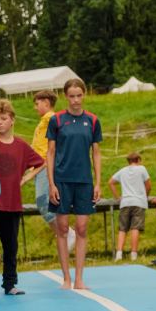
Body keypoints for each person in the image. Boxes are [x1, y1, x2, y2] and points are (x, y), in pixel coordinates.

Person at [46, 78, 102, 290]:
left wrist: (98, 183)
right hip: (61, 180)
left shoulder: (93, 121)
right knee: (61, 228)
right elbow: (50, 153)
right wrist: (51, 183)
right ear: (65, 96)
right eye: (72, 96)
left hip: (84, 181)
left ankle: (79, 278)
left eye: (79, 95)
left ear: (84, 95)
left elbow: (96, 153)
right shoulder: (57, 120)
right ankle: (66, 278)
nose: (76, 100)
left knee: (81, 228)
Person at [0, 98, 43, 295]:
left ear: (12, 120)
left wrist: (24, 179)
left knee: (11, 247)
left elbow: (41, 162)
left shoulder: (21, 145)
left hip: (12, 204)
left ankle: (9, 284)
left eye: (3, 118)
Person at [29, 89, 61, 249]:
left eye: (37, 103)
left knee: (43, 203)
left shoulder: (51, 118)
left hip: (45, 165)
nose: (35, 107)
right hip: (39, 166)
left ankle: (65, 233)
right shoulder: (44, 120)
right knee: (45, 203)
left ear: (46, 103)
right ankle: (63, 234)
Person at [110, 153, 152, 261]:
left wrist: (117, 197)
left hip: (125, 202)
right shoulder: (142, 169)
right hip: (138, 202)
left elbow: (111, 182)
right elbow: (148, 185)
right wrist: (144, 196)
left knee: (122, 229)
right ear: (138, 159)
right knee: (135, 228)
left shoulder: (123, 171)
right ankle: (133, 254)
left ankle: (119, 254)